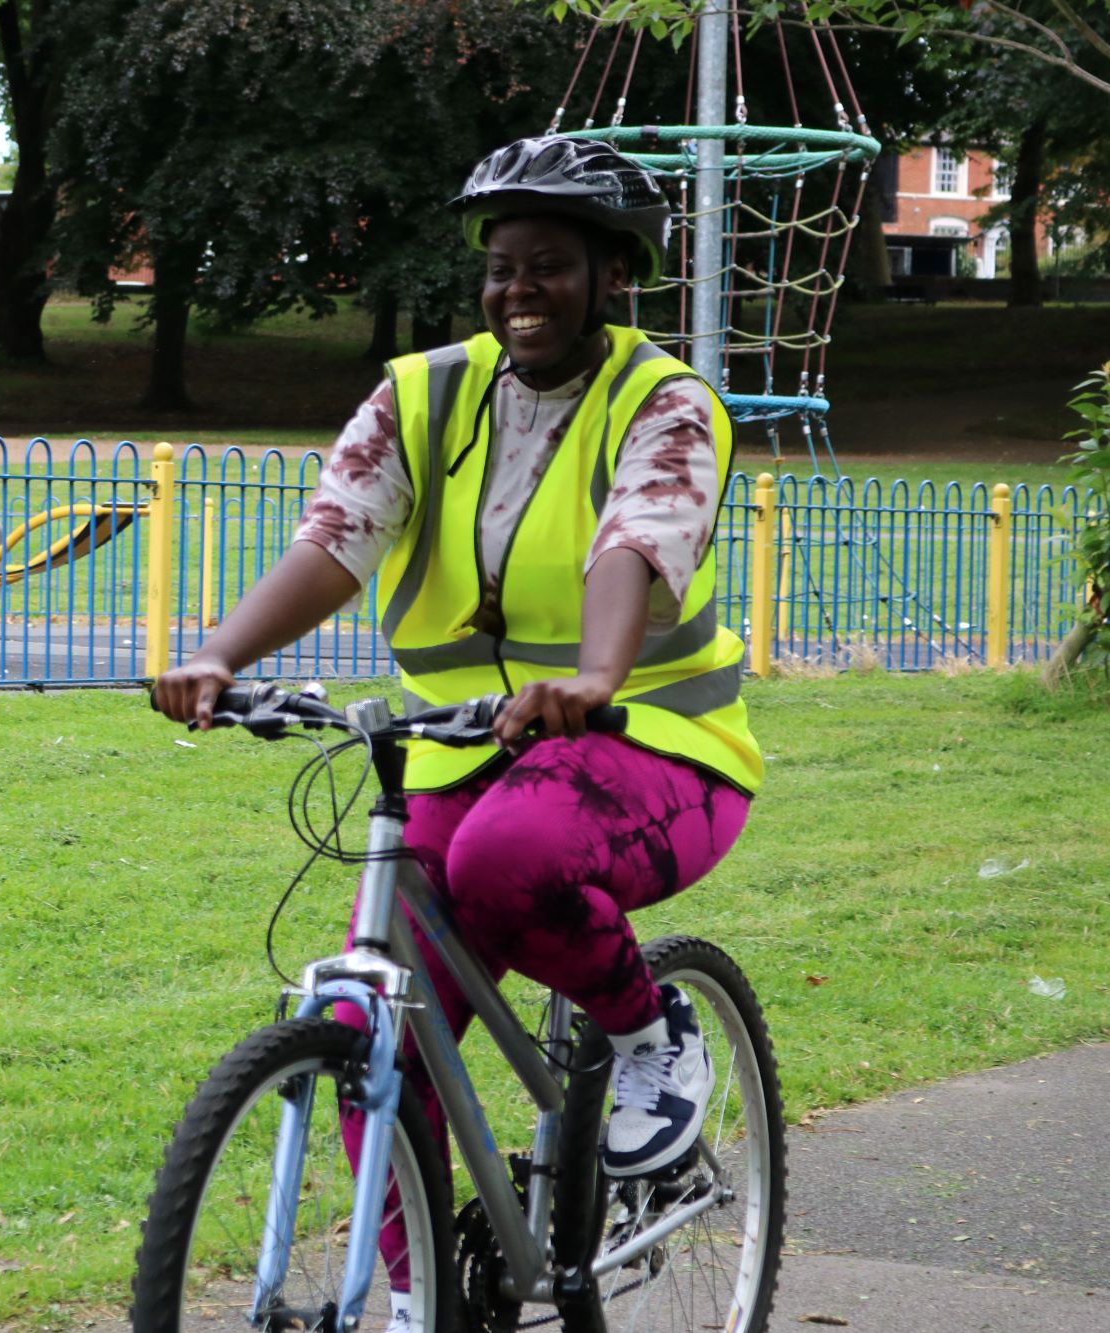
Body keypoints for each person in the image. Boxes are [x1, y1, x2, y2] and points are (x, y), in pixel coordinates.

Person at [151, 135, 761, 1328]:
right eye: (499, 268)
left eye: (548, 266)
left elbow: (633, 540)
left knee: (505, 863)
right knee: (357, 1022)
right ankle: (411, 1291)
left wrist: (592, 674)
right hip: (460, 748)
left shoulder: (667, 404)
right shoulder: (420, 392)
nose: (517, 289)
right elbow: (336, 536)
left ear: (608, 278)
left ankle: (649, 1033)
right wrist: (219, 655)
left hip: (655, 751)